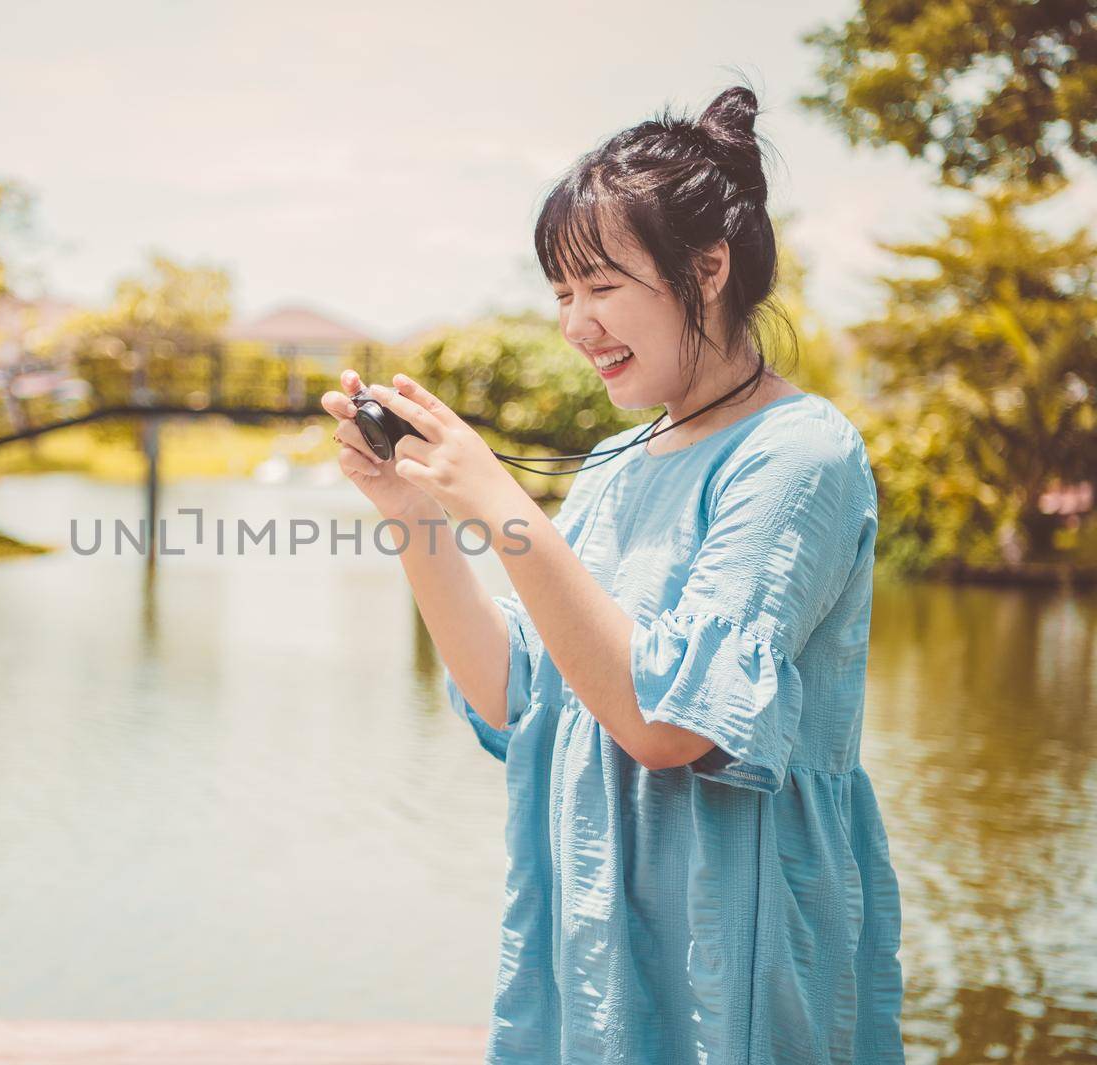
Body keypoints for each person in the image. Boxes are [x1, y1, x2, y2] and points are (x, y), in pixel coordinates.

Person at [321, 84, 905, 1064]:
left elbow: (668, 726)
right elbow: (520, 702)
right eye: (560, 294)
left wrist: (504, 507)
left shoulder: (797, 457)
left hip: (738, 935)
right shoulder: (610, 463)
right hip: (593, 926)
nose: (574, 325)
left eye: (599, 288)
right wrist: (416, 516)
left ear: (707, 269)